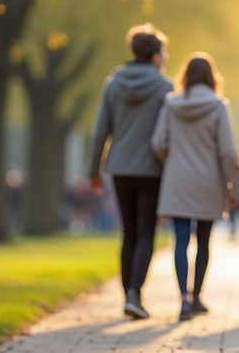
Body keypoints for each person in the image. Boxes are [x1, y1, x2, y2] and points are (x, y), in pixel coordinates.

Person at [88, 23, 173, 320]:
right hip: (152, 169)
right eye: (163, 51)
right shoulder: (166, 87)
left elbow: (100, 131)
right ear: (154, 55)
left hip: (120, 167)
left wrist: (93, 170)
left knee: (129, 233)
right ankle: (135, 293)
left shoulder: (113, 83)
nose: (165, 57)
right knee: (146, 233)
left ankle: (128, 295)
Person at [152, 52, 239, 321]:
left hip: (177, 180)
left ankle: (183, 299)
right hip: (209, 182)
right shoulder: (218, 105)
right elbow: (227, 151)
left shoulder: (170, 104)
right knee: (203, 241)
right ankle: (198, 296)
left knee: (179, 240)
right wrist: (232, 187)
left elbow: (158, 143)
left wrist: (174, 160)